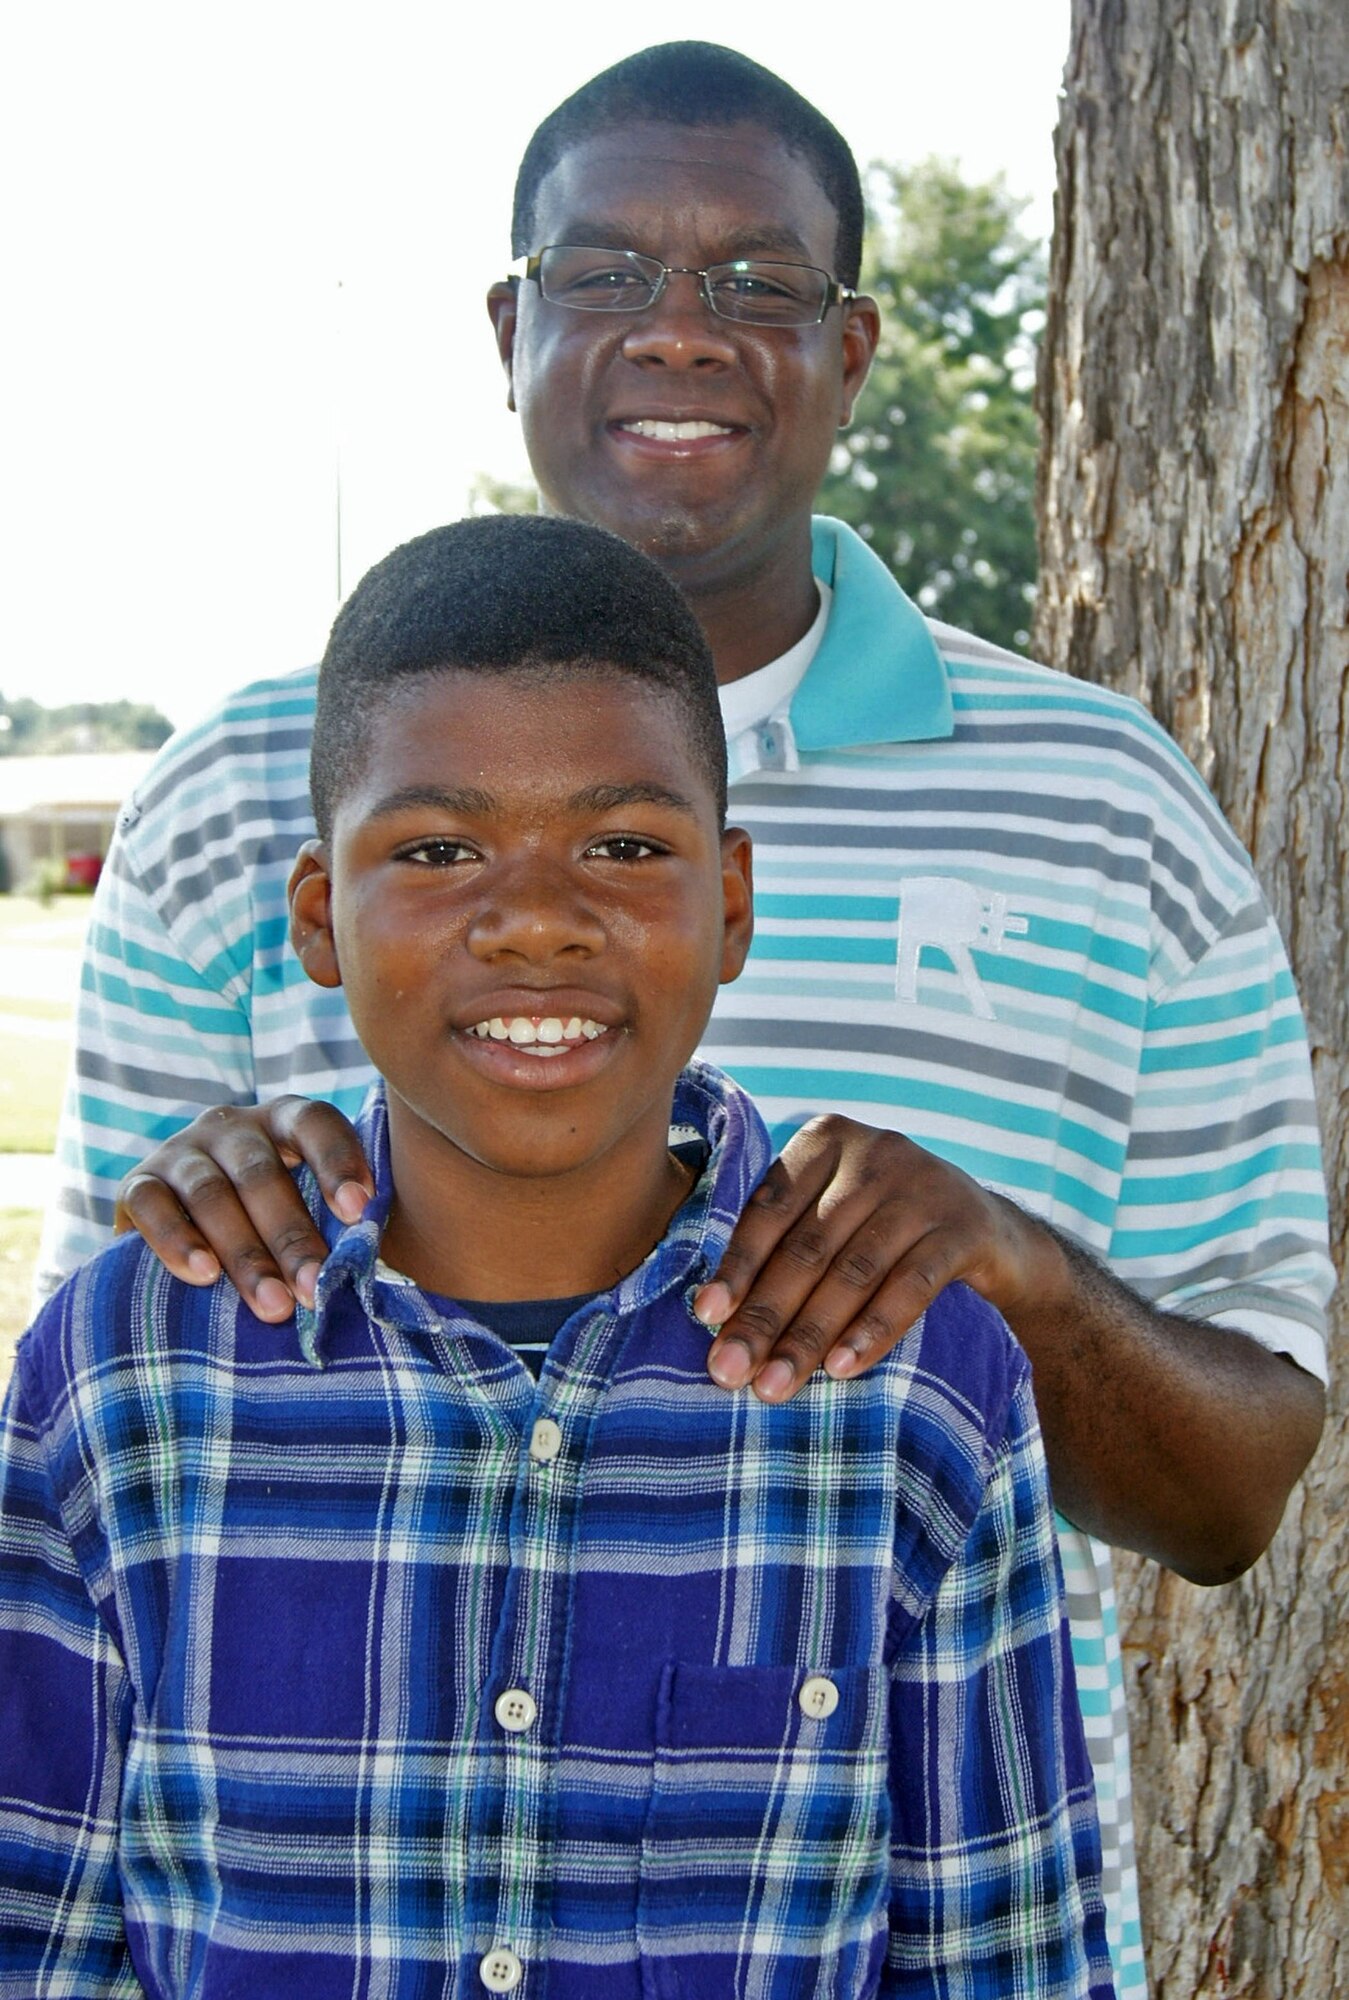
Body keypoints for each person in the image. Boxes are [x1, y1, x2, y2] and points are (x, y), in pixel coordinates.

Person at [34, 42, 1329, 1996]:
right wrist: (190, 1183)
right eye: (610, 272)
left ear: (858, 343)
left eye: (757, 283)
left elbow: (1239, 1489)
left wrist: (1009, 1277)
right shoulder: (241, 790)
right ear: (509, 322)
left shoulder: (1106, 802)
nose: (682, 334)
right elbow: (101, 1487)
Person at [1, 513, 1116, 1997]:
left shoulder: (910, 1385)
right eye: (441, 848)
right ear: (320, 919)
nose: (535, 920)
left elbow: (1005, 1961)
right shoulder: (127, 1373)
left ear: (730, 904)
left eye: (622, 845)